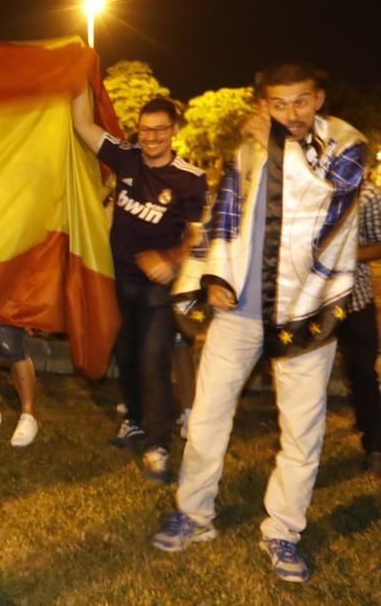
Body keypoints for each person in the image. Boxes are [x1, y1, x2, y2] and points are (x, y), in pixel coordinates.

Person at [151, 63, 367, 583]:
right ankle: (195, 513)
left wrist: (273, 138)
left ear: (317, 98)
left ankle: (284, 531)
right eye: (278, 104)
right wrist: (212, 277)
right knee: (205, 416)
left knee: (302, 429)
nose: (290, 113)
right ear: (263, 103)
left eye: (300, 102)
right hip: (240, 311)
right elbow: (225, 211)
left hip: (307, 310)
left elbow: (325, 192)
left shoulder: (345, 143)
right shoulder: (250, 149)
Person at [71, 91, 208, 482]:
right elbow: (84, 125)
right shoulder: (127, 156)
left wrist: (170, 259)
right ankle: (134, 419)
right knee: (127, 358)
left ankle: (158, 445)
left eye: (160, 130)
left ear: (174, 131)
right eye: (145, 130)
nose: (151, 138)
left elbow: (198, 236)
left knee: (153, 363)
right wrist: (79, 66)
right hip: (120, 280)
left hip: (158, 290)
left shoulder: (190, 179)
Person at [335, 179, 381, 478]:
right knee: (301, 376)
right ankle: (294, 443)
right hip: (309, 304)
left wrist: (342, 257)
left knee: (363, 375)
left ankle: (375, 447)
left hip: (355, 300)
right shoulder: (305, 183)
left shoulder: (367, 193)